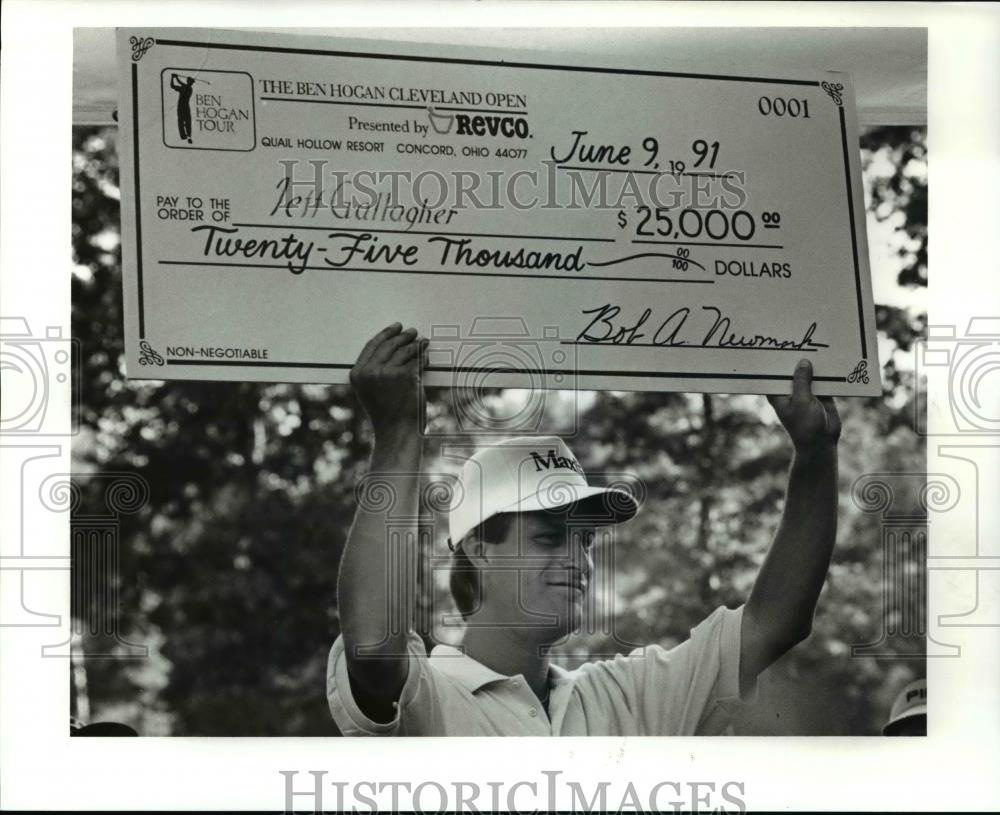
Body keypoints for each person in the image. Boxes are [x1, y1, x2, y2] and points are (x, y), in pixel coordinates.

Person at [328, 322, 841, 735]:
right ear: (481, 549)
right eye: (550, 536)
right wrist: (397, 432)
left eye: (585, 539)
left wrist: (815, 456)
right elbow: (373, 649)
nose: (579, 559)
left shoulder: (627, 697)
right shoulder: (430, 695)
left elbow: (775, 624)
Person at [170, 73, 195, 144]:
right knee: (182, 122)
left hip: (183, 106)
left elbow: (179, 83)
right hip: (183, 107)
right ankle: (184, 136)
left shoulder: (188, 88)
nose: (189, 82)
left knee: (187, 122)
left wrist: (175, 77)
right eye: (189, 81)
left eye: (190, 81)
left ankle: (188, 136)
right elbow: (172, 86)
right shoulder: (184, 87)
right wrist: (173, 78)